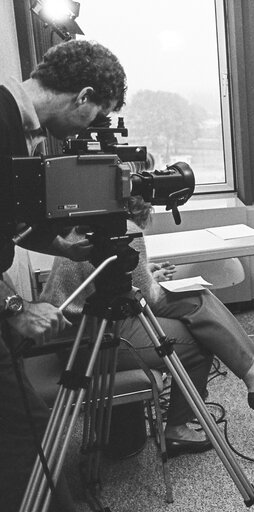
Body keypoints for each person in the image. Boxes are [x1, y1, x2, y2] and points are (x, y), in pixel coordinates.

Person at [41, 194, 254, 456]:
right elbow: (147, 299)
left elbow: (115, 286)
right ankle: (183, 425)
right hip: (91, 341)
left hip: (74, 332)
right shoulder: (124, 230)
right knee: (200, 336)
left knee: (197, 301)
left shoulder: (83, 227)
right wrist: (154, 281)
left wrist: (148, 274)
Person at [0, 39, 127, 512]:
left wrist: (62, 246)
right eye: (98, 115)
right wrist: (15, 305)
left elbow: (9, 219)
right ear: (83, 94)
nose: (94, 129)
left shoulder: (15, 122)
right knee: (25, 436)